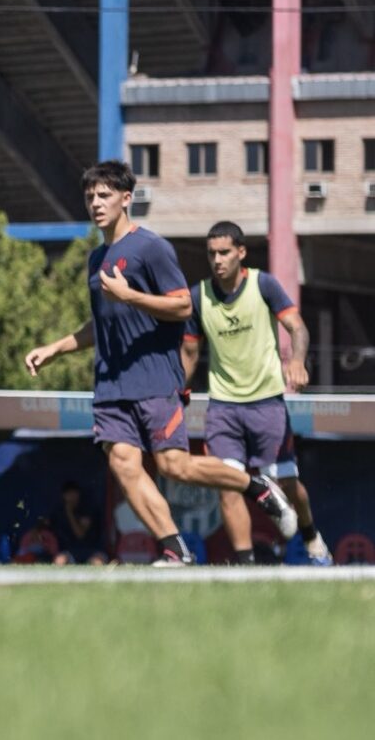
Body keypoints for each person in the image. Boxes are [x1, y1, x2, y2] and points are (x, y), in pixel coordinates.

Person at [24, 161, 297, 566]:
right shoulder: (97, 257)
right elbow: (102, 322)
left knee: (174, 467)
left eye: (105, 195)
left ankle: (254, 485)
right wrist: (56, 348)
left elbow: (182, 304)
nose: (96, 203)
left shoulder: (151, 248)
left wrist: (131, 296)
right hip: (110, 385)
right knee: (123, 464)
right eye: (90, 197)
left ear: (126, 199)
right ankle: (174, 548)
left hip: (155, 380)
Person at [180, 221, 331, 565]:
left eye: (224, 252)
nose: (217, 260)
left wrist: (296, 361)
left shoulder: (264, 284)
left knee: (287, 484)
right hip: (223, 408)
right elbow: (189, 353)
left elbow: (297, 326)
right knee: (229, 485)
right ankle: (245, 567)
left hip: (267, 404)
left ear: (241, 252)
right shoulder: (198, 296)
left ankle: (311, 537)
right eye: (211, 253)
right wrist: (178, 391)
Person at [49, 480, 107, 565]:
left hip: (92, 549)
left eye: (74, 493)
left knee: (97, 562)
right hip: (70, 551)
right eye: (68, 494)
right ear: (63, 496)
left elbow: (80, 534)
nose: (71, 497)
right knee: (59, 560)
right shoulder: (59, 512)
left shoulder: (88, 509)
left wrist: (69, 513)